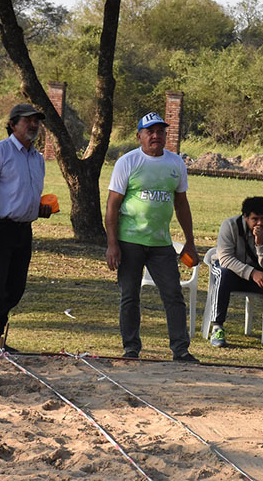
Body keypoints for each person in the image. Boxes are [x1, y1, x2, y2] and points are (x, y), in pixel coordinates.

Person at [105, 112, 199, 362]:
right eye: (150, 132)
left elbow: (181, 204)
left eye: (160, 132)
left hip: (161, 243)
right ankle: (131, 348)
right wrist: (112, 244)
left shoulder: (176, 163)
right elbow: (112, 205)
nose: (156, 136)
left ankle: (180, 349)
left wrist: (189, 241)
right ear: (139, 136)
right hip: (130, 241)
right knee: (129, 296)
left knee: (173, 294)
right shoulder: (128, 162)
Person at [0, 103, 53, 352]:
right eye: (28, 120)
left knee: (15, 287)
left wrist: (38, 208)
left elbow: (24, 193)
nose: (34, 125)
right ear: (13, 124)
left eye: (37, 121)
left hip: (23, 229)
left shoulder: (37, 159)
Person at [211, 196, 263, 352]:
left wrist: (260, 244)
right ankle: (217, 327)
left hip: (258, 275)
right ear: (245, 217)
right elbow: (225, 259)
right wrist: (252, 273)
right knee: (223, 274)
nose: (259, 223)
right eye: (255, 219)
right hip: (231, 272)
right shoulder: (230, 226)